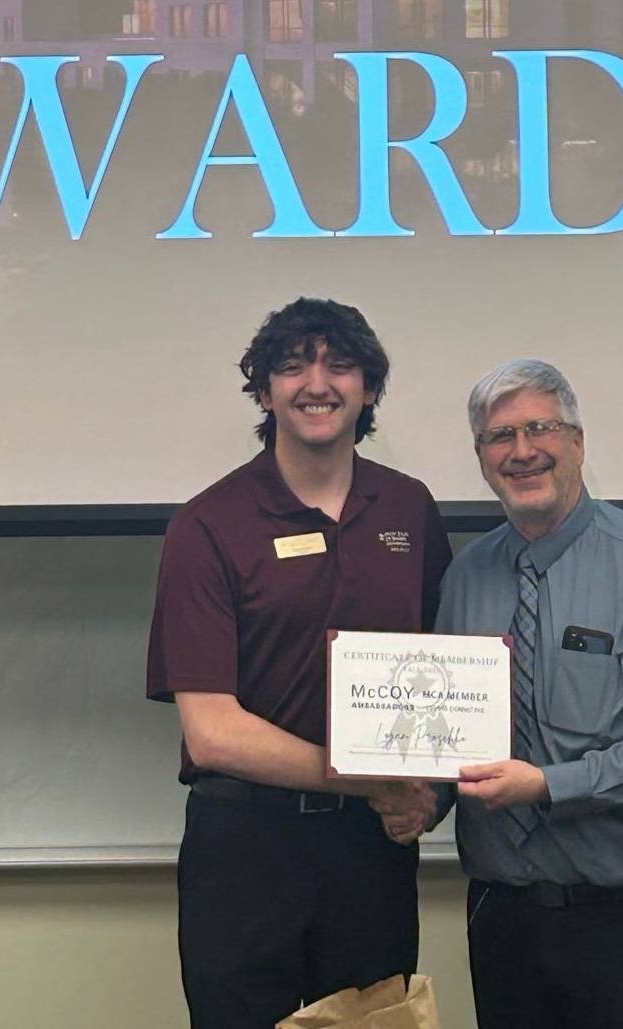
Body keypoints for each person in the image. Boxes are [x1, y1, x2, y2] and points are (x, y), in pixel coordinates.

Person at [397, 357, 623, 1029]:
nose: (522, 451)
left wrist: (550, 783)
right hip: (508, 925)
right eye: (500, 436)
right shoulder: (465, 578)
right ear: (482, 458)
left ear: (577, 441)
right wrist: (420, 799)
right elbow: (451, 728)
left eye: (540, 428)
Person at [146, 297, 450, 1029]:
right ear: (263, 391)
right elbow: (212, 732)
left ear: (369, 388)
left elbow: (449, 676)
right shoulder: (208, 524)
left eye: (339, 364)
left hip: (369, 852)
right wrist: (365, 777)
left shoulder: (409, 510)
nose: (318, 382)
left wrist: (430, 796)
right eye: (293, 365)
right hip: (244, 849)